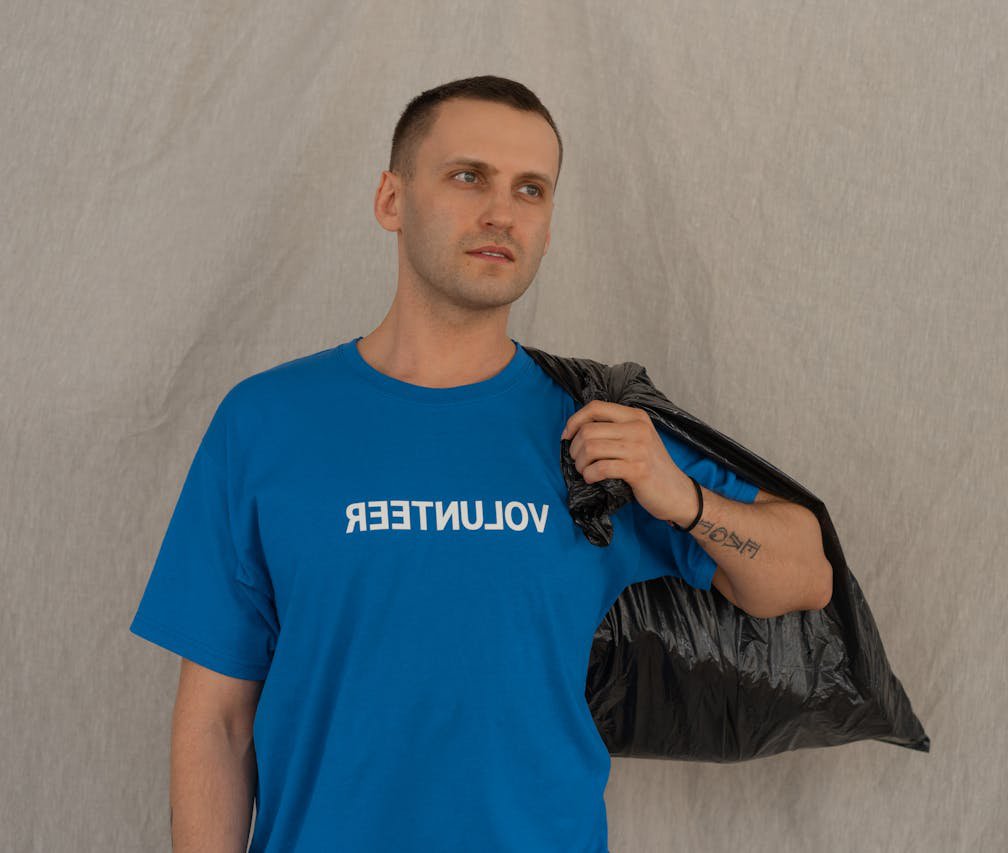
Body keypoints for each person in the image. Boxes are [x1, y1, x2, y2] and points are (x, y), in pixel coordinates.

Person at [129, 74, 830, 853]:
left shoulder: (593, 426)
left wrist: (681, 496)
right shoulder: (266, 421)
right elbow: (217, 721)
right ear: (391, 200)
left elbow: (803, 574)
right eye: (469, 177)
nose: (502, 211)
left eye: (532, 190)